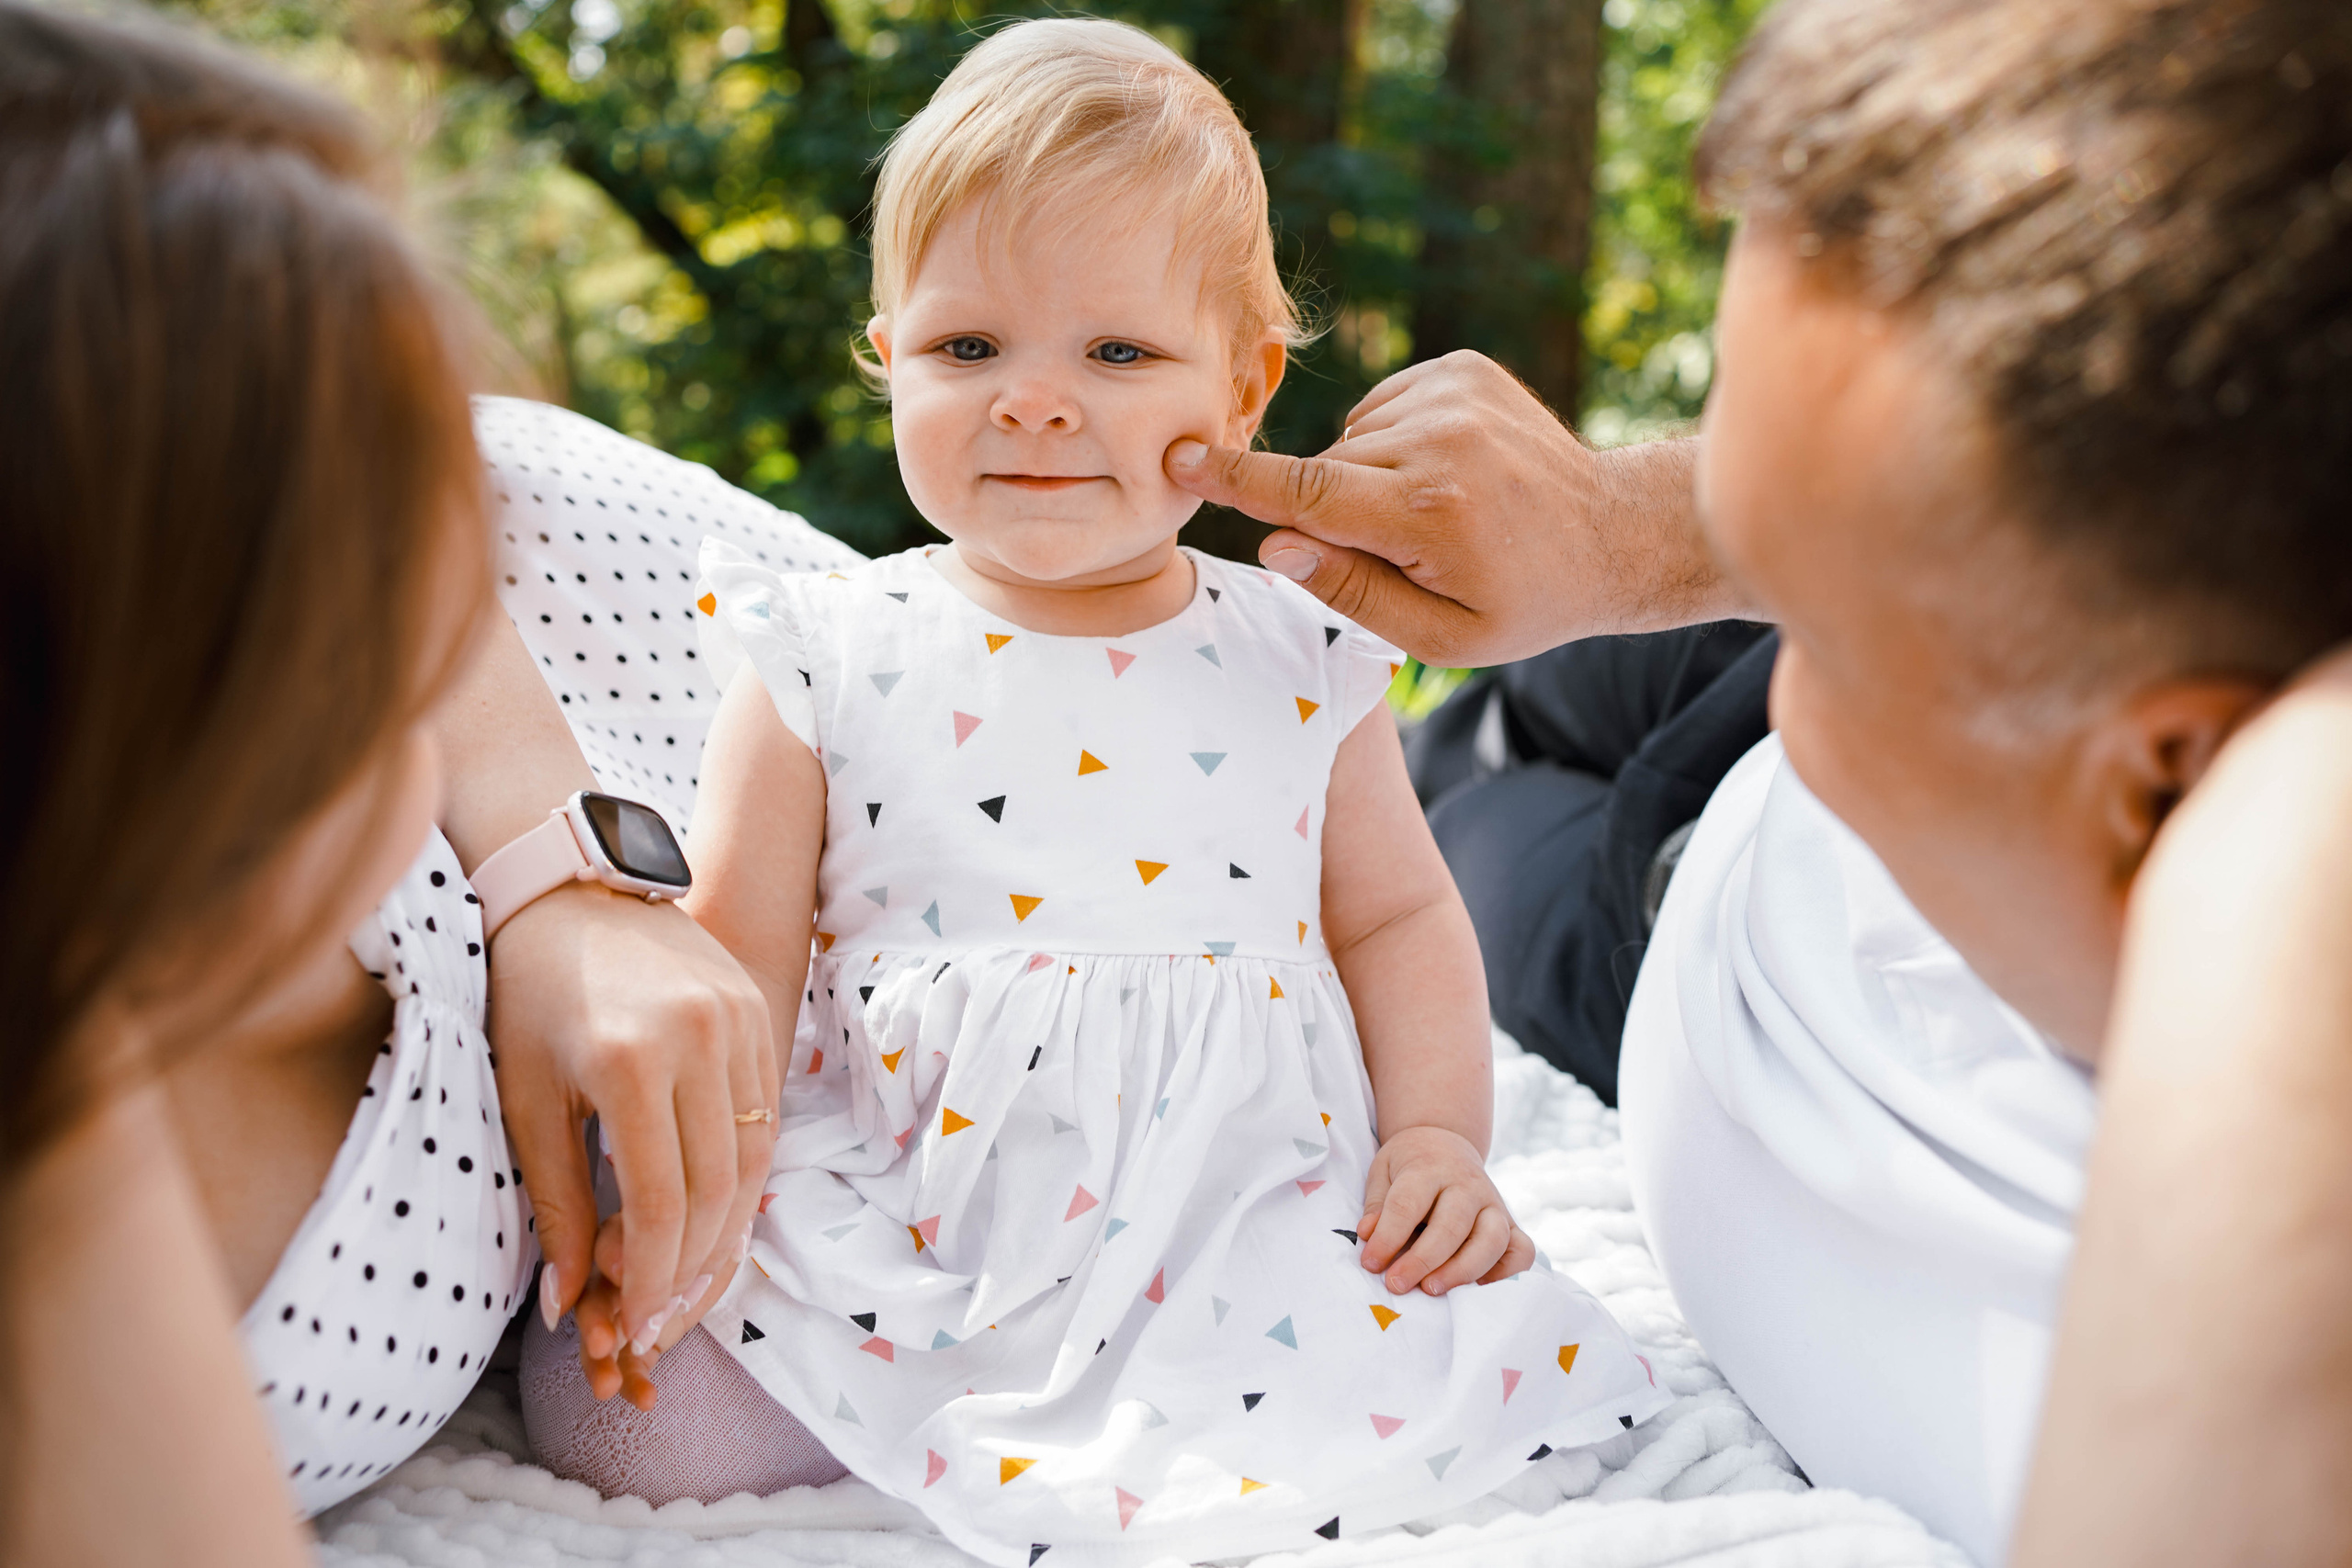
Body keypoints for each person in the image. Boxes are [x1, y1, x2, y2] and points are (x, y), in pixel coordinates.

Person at [1161, 0, 2352, 1561]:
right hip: (1823, 680)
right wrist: (1629, 534)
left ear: (2180, 799)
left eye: (1831, 640)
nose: (1801, 687)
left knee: (1430, 836)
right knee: (1497, 707)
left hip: (1631, 929)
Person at [517, 20, 1664, 1562]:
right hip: (917, 1211)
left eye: (1117, 354)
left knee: (1465, 1376)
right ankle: (886, 1399)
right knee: (618, 1416)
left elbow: (1396, 920)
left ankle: (1146, 1418)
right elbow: (736, 966)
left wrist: (1440, 1141)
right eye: (968, 348)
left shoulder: (1298, 652)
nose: (1037, 402)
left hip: (1226, 1214)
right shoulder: (828, 648)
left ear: (1245, 385)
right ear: (886, 351)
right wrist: (690, 1215)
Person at [0, 5, 785, 1549]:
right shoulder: (75, 1056)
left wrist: (562, 867)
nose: (435, 669)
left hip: (661, 637)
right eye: (376, 607)